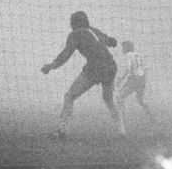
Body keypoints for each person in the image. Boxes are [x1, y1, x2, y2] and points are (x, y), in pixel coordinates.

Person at [41, 10, 125, 139]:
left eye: (72, 21)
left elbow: (65, 55)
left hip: (95, 68)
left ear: (75, 23)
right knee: (109, 99)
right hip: (111, 66)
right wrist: (111, 41)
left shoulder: (75, 34)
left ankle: (61, 131)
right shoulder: (93, 30)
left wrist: (51, 66)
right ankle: (122, 132)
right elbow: (110, 41)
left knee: (69, 96)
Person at [116, 41, 155, 123]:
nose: (122, 49)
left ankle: (121, 120)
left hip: (134, 79)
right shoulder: (138, 55)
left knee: (120, 97)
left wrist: (120, 79)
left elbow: (128, 68)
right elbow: (145, 68)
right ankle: (151, 116)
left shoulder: (128, 55)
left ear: (127, 48)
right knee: (140, 100)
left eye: (123, 47)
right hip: (141, 79)